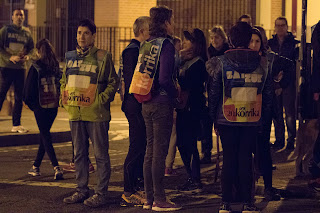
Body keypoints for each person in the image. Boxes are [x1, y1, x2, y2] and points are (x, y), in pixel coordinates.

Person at [207, 22, 272, 213]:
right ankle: (248, 203)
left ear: (232, 40)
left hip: (226, 118)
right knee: (246, 159)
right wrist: (263, 121)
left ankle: (226, 203)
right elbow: (266, 96)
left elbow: (214, 94)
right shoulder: (262, 63)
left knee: (229, 159)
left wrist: (213, 119)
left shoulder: (221, 62)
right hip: (251, 118)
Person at [62, 19, 119, 208]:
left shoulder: (103, 56)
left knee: (100, 155)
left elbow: (113, 82)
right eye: (79, 33)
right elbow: (64, 81)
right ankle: (81, 189)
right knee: (79, 154)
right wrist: (66, 100)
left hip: (96, 114)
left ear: (93, 36)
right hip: (76, 113)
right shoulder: (70, 57)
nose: (81, 37)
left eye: (86, 33)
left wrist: (100, 100)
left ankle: (101, 193)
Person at [130, 5, 181, 211]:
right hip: (161, 104)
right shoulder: (166, 45)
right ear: (166, 23)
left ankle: (150, 199)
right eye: (172, 20)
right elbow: (164, 79)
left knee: (149, 152)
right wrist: (176, 94)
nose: (173, 24)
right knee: (159, 153)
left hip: (146, 102)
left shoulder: (147, 44)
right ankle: (160, 199)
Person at [249, 27, 293, 201]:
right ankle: (248, 187)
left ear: (262, 42)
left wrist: (278, 84)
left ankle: (268, 187)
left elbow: (288, 66)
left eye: (257, 41)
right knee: (248, 150)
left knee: (264, 149)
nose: (254, 44)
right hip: (246, 111)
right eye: (251, 41)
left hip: (264, 111)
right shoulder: (242, 59)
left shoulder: (268, 59)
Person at [119, 16, 150, 207]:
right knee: (136, 146)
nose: (151, 33)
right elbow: (133, 81)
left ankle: (136, 186)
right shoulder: (133, 51)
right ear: (142, 31)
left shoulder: (135, 50)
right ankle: (128, 190)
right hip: (134, 104)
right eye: (149, 29)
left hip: (135, 103)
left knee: (141, 146)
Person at [23, 38, 63, 180]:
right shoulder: (55, 66)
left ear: (39, 51)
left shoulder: (36, 66)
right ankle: (36, 166)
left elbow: (28, 90)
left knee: (45, 135)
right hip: (53, 106)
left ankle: (56, 167)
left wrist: (29, 103)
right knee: (44, 135)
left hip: (40, 106)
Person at [176, 28, 208, 192]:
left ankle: (195, 178)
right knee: (182, 143)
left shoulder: (199, 63)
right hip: (182, 108)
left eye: (188, 40)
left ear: (196, 44)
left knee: (189, 143)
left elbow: (192, 86)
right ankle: (191, 176)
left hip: (192, 108)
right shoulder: (182, 60)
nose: (184, 42)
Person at [0, 9, 34, 133]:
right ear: (12, 17)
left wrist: (28, 57)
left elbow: (31, 48)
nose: (19, 17)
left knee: (19, 97)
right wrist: (10, 57)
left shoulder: (26, 33)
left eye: (21, 15)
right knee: (1, 94)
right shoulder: (6, 30)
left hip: (20, 68)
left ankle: (16, 125)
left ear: (23, 18)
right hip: (6, 67)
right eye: (17, 15)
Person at [268, 16, 300, 150]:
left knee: (290, 114)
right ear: (274, 27)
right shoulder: (270, 43)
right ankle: (279, 140)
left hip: (288, 84)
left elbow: (294, 66)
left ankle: (291, 139)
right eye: (277, 25)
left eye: (282, 25)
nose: (280, 28)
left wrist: (283, 83)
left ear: (287, 27)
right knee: (276, 114)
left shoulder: (293, 44)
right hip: (274, 83)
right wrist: (276, 82)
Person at [200, 25, 229, 164]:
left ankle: (226, 150)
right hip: (209, 91)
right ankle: (206, 151)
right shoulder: (207, 53)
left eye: (216, 37)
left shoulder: (228, 52)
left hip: (223, 92)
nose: (213, 40)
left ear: (223, 38)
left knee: (222, 124)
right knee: (207, 124)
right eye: (211, 38)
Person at [165, 36, 182, 176]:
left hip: (160, 100)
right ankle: (168, 165)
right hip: (170, 100)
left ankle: (166, 164)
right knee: (172, 134)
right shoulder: (175, 58)